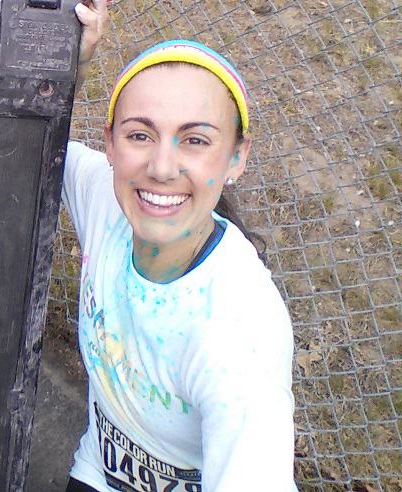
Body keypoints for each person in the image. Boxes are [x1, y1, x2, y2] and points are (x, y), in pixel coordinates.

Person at [61, 38, 297, 491]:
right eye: (139, 135)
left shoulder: (239, 338)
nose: (162, 167)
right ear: (109, 142)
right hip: (98, 469)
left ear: (236, 156)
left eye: (194, 140)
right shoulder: (103, 200)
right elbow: (30, 138)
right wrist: (74, 60)